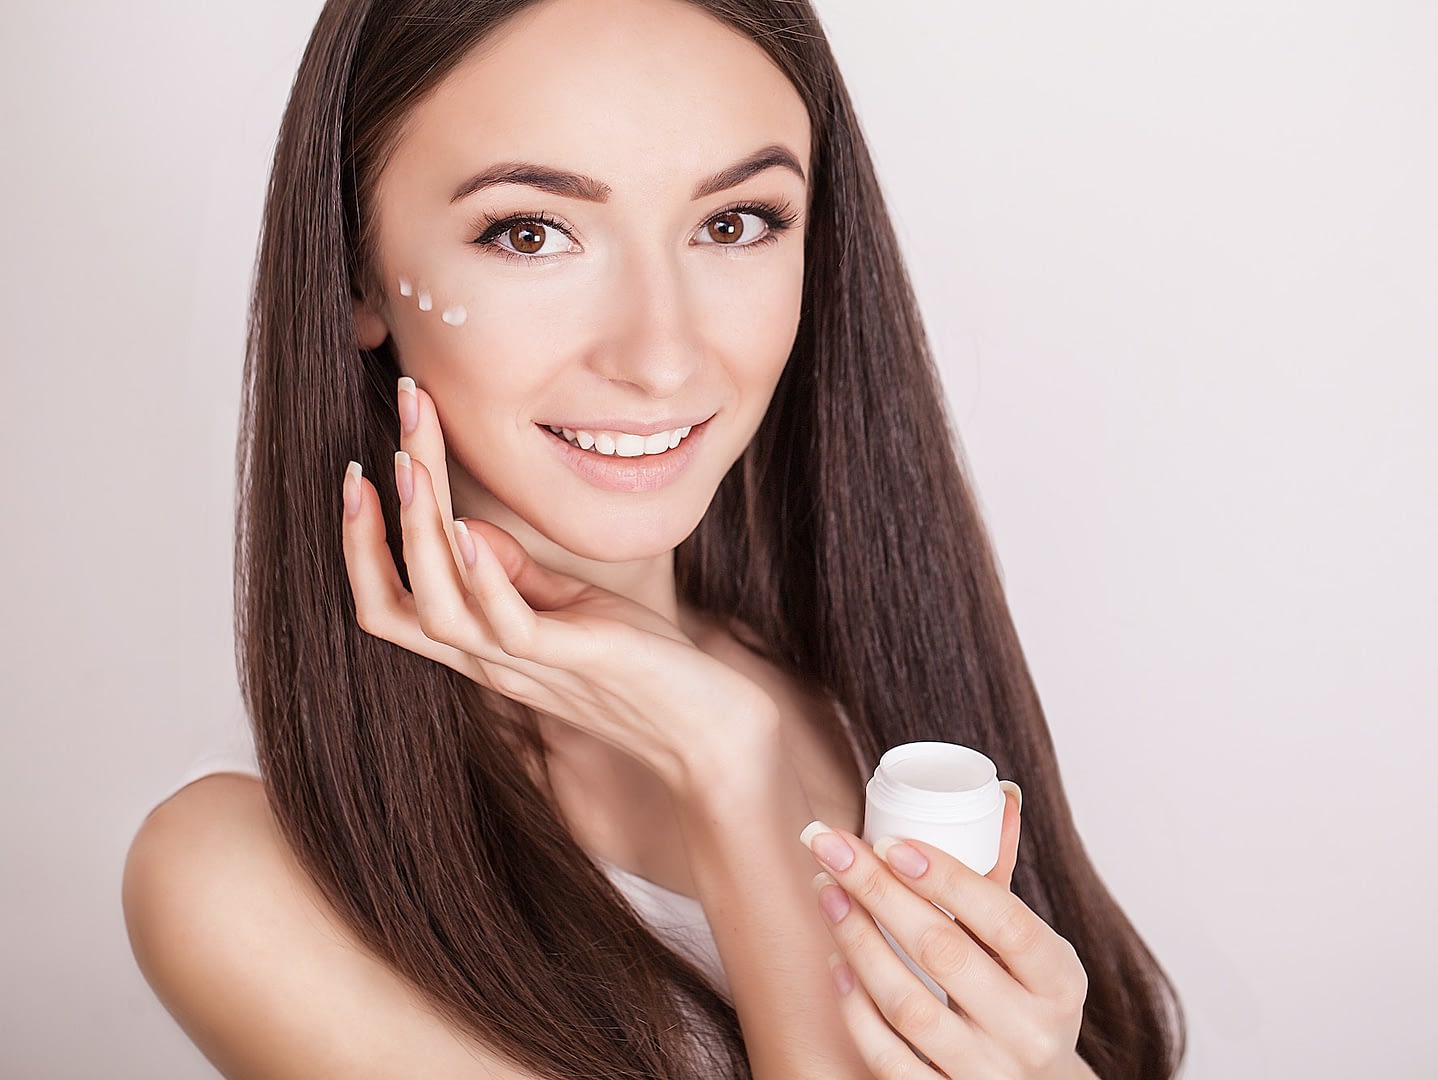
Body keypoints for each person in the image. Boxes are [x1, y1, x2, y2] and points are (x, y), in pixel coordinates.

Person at [122, 0, 1184, 1076]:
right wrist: (725, 765)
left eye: (735, 224)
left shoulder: (867, 677)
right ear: (355, 268)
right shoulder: (243, 874)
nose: (662, 355)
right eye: (530, 232)